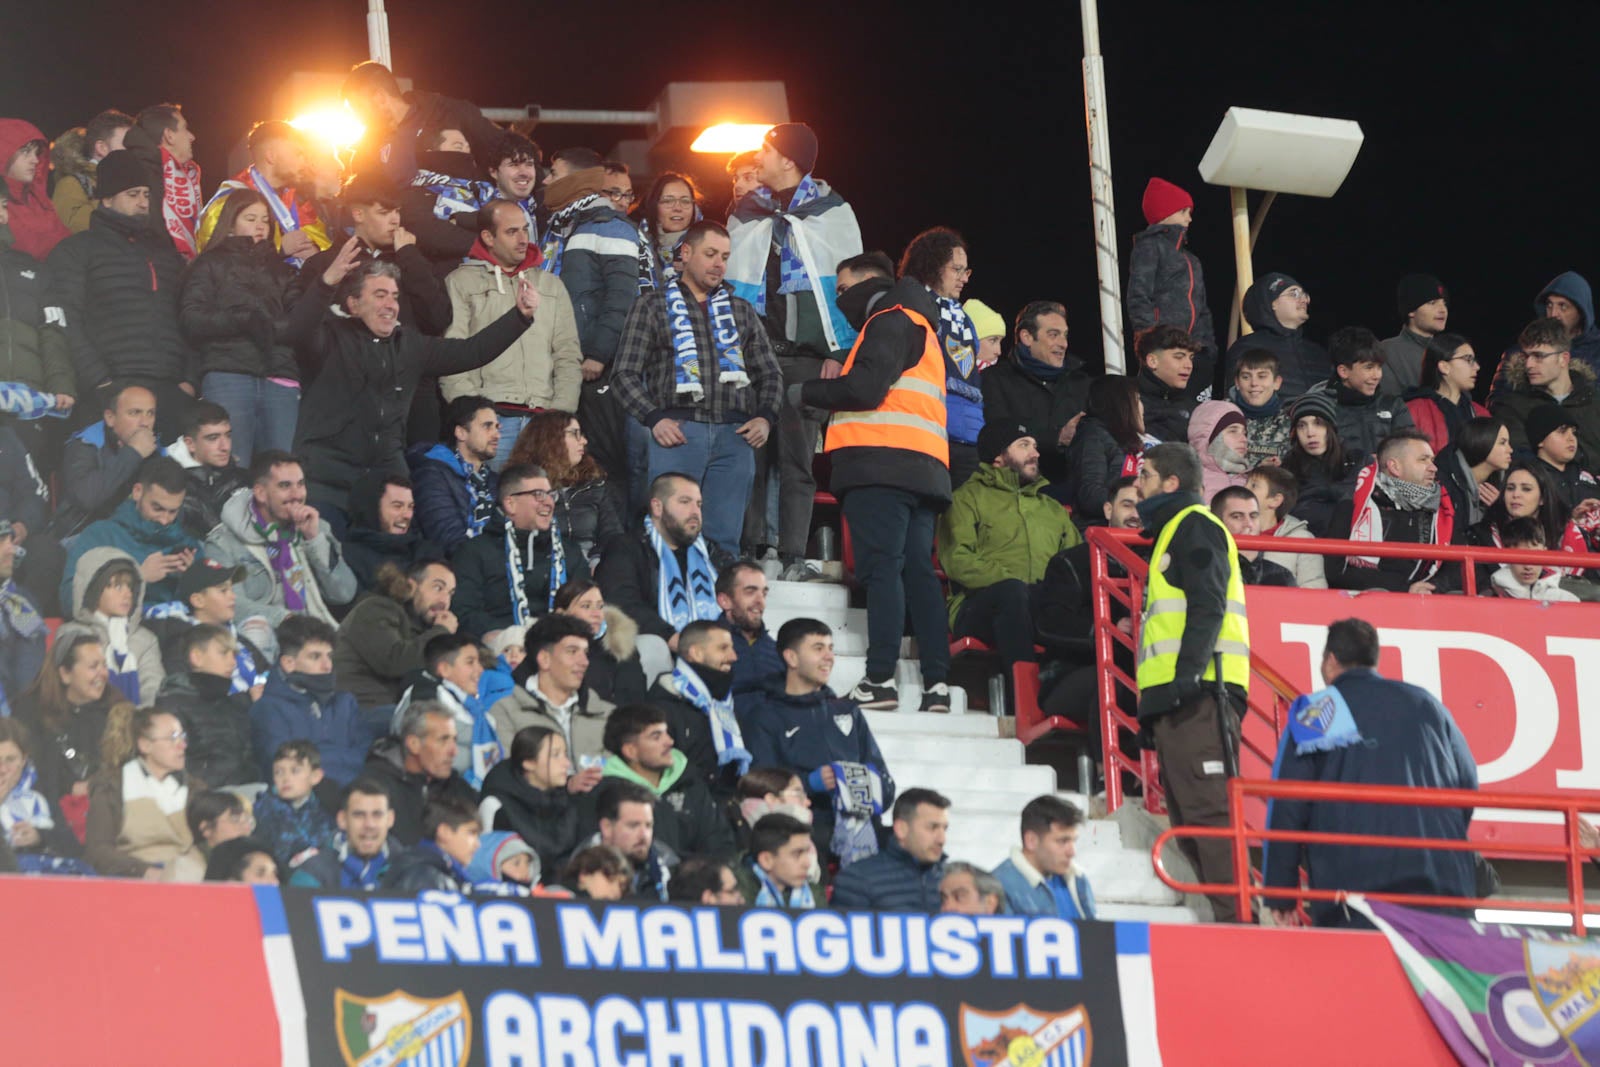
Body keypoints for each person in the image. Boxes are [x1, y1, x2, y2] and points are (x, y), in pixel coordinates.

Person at [799, 228, 955, 712]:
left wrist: (804, 394)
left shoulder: (889, 318)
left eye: (844, 290)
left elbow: (865, 391)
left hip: (880, 464)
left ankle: (881, 679)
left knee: (882, 571)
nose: (840, 301)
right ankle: (937, 686)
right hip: (923, 468)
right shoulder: (923, 324)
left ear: (871, 283)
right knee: (919, 575)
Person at [285, 242, 541, 523]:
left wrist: (519, 316)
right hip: (326, 480)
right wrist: (325, 283)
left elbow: (473, 351)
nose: (390, 305)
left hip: (386, 481)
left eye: (394, 297)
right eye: (380, 295)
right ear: (354, 304)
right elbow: (298, 330)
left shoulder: (410, 345)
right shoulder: (328, 339)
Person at [1263, 619, 1477, 928]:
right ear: (1373, 659)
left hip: (1357, 894)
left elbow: (1288, 803)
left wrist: (1280, 893)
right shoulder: (1426, 703)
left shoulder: (1319, 708)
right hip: (1445, 891)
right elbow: (1467, 785)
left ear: (1331, 659)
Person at [727, 125, 863, 572]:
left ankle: (791, 555)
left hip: (806, 358)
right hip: (755, 353)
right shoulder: (747, 212)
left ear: (788, 159)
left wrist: (838, 352)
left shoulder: (832, 213)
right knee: (747, 455)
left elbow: (846, 290)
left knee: (796, 461)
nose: (759, 157)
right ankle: (744, 548)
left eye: (766, 150)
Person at [612, 220, 781, 558]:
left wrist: (765, 418)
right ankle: (665, 609)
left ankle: (717, 608)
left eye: (725, 256)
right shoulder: (653, 305)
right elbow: (624, 375)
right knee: (669, 538)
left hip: (735, 437)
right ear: (686, 253)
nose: (719, 263)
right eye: (710, 254)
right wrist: (654, 418)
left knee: (724, 545)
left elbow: (771, 375)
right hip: (677, 435)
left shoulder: (742, 311)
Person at [1134, 442, 1250, 922]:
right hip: (1181, 696)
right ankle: (1231, 917)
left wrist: (1182, 680)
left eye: (1144, 475)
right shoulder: (1174, 531)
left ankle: (1239, 923)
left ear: (1171, 483)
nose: (1136, 484)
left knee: (1207, 813)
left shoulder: (1194, 525)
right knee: (1189, 817)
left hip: (1201, 692)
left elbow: (1208, 606)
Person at [45, 149, 197, 439]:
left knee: (170, 483)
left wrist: (189, 381)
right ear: (106, 198)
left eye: (146, 195)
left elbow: (188, 319)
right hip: (111, 392)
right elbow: (66, 319)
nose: (142, 203)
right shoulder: (77, 250)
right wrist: (99, 381)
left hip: (171, 391)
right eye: (132, 194)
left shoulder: (167, 255)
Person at [441, 199, 583, 467]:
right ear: (487, 237)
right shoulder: (460, 282)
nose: (522, 239)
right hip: (492, 421)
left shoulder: (551, 285)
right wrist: (474, 417)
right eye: (511, 232)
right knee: (492, 504)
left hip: (545, 421)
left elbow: (568, 354)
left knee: (542, 505)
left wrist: (560, 416)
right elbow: (452, 355)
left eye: (525, 230)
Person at [937, 422, 1082, 685]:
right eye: (1024, 445)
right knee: (1012, 594)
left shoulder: (1053, 509)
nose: (1036, 453)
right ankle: (1024, 697)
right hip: (977, 605)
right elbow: (958, 560)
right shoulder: (966, 498)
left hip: (1037, 602)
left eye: (1035, 446)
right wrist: (1014, 583)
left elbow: (1073, 564)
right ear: (998, 457)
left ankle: (1066, 694)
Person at [740, 618, 894, 865]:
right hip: (801, 827)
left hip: (861, 826)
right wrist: (811, 783)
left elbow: (887, 787)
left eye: (831, 648)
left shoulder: (847, 711)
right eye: (818, 648)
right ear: (791, 658)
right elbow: (760, 785)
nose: (829, 657)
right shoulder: (764, 716)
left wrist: (865, 788)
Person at [539, 150, 640, 492]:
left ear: (576, 180)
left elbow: (623, 297)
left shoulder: (608, 225)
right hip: (567, 362)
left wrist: (598, 352)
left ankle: (612, 542)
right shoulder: (562, 227)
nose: (545, 181)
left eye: (553, 172)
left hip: (596, 365)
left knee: (603, 459)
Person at [178, 189, 301, 463]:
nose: (260, 226)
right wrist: (240, 320)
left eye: (265, 220)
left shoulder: (284, 270)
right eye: (250, 218)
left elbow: (299, 320)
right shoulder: (209, 263)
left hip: (279, 376)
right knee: (231, 467)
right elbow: (192, 317)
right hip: (227, 372)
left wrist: (265, 327)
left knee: (279, 471)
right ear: (230, 223)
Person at [205, 451, 358, 630]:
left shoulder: (314, 527)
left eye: (300, 484)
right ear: (260, 493)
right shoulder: (223, 543)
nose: (296, 495)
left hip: (318, 636)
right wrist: (286, 619)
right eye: (285, 486)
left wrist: (314, 541)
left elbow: (344, 593)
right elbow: (230, 606)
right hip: (267, 639)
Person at [293, 174, 451, 339]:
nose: (395, 220)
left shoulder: (411, 259)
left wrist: (411, 257)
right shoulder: (322, 264)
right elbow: (306, 327)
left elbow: (438, 320)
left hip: (405, 362)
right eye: (383, 213)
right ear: (358, 215)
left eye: (397, 211)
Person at [450, 463, 589, 641]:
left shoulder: (570, 552)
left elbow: (586, 605)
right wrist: (514, 636)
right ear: (511, 503)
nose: (548, 502)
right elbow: (465, 613)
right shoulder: (474, 552)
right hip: (499, 649)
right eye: (538, 495)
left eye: (551, 494)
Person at [596, 472, 725, 649]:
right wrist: (672, 638)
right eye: (685, 502)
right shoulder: (626, 548)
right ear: (657, 507)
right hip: (656, 649)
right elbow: (622, 603)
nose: (695, 512)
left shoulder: (711, 554)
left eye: (699, 504)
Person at [595, 702, 735, 858]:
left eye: (667, 733)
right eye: (656, 736)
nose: (669, 741)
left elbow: (720, 843)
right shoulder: (605, 794)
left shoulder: (690, 782)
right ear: (631, 751)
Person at [62, 453, 201, 611]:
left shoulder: (189, 546)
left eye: (173, 512)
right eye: (157, 508)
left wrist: (191, 583)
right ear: (137, 492)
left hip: (176, 630)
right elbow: (69, 600)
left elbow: (211, 610)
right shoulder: (101, 535)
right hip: (117, 631)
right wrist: (138, 577)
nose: (164, 520)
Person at [1330, 430, 1460, 594]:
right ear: (1394, 467)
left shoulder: (1441, 511)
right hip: (1369, 604)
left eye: (1432, 460)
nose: (1433, 468)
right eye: (1423, 460)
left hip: (1427, 601)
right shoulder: (1353, 507)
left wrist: (1432, 588)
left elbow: (1457, 567)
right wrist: (1404, 588)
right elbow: (1335, 570)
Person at [981, 299, 1092, 489]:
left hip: (1074, 494)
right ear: (1027, 337)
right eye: (1053, 335)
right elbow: (998, 434)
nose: (1063, 343)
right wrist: (1057, 437)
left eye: (1065, 335)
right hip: (1017, 492)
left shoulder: (1082, 382)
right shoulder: (995, 379)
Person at [249, 614, 370, 787]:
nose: (327, 665)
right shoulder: (268, 710)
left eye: (329, 656)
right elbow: (284, 770)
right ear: (289, 663)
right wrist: (345, 759)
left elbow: (367, 755)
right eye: (315, 657)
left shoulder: (346, 703)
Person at [341, 61, 503, 188]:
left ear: (380, 98)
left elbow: (506, 152)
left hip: (472, 224)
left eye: (359, 108)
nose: (358, 117)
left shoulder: (451, 113)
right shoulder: (365, 155)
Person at [83, 704, 196, 880]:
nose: (182, 745)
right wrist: (146, 872)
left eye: (183, 737)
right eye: (172, 737)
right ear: (145, 745)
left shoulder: (195, 788)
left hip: (191, 879)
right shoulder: (112, 786)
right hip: (135, 882)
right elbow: (98, 850)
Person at [194, 120, 328, 266]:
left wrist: (315, 253)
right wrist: (279, 249)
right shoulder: (231, 198)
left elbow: (323, 243)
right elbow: (217, 260)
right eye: (298, 154)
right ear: (271, 156)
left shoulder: (294, 200)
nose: (304, 162)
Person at [490, 612, 615, 766]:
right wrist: (569, 785)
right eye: (572, 651)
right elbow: (510, 777)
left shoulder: (606, 714)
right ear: (544, 659)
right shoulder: (506, 711)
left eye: (585, 653)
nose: (584, 662)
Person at [1127, 177, 1216, 389]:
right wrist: (1151, 339)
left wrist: (1208, 347)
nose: (1189, 219)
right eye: (1184, 212)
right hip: (1163, 348)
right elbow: (1139, 295)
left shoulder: (1192, 260)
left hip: (1193, 351)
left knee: (1195, 410)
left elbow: (1202, 308)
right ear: (1166, 213)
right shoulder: (1149, 247)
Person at [645, 619, 749, 800]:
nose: (734, 656)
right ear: (696, 653)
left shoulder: (726, 704)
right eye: (723, 648)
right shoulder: (661, 709)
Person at [506, 412, 625, 569]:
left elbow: (613, 535)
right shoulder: (520, 487)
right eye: (574, 434)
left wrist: (598, 560)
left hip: (592, 571)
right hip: (543, 571)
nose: (583, 441)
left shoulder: (594, 483)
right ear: (550, 440)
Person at [333, 559, 458, 708]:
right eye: (438, 588)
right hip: (359, 708)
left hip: (393, 710)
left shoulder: (421, 628)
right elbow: (393, 662)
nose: (445, 600)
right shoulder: (375, 608)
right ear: (411, 586)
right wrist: (441, 632)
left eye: (450, 593)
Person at [13, 631, 111, 807]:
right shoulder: (27, 714)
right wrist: (69, 788)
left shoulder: (105, 712)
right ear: (65, 673)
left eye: (104, 666)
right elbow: (19, 775)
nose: (102, 673)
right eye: (93, 666)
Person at [51, 382, 159, 539]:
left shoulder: (155, 448)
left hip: (135, 536)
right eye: (135, 413)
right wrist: (133, 453)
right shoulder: (85, 444)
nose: (145, 422)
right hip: (82, 535)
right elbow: (88, 498)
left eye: (150, 413)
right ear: (110, 418)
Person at [364, 700, 479, 846]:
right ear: (414, 745)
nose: (454, 751)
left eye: (454, 740)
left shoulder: (454, 785)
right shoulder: (375, 787)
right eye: (443, 740)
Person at [480, 725, 584, 883]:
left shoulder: (568, 802)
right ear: (528, 763)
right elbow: (485, 864)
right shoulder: (496, 805)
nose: (567, 764)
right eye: (555, 755)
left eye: (565, 755)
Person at [155, 624, 255, 787]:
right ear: (197, 658)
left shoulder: (237, 701)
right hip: (206, 800)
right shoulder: (172, 703)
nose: (233, 663)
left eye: (234, 655)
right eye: (223, 653)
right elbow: (173, 765)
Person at [1492, 318, 1600, 469]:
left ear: (1563, 359)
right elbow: (1517, 460)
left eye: (1538, 356)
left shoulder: (1594, 402)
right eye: (1526, 356)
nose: (1529, 365)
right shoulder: (1511, 406)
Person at [60, 547, 163, 704]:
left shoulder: (146, 640)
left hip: (138, 724)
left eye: (130, 587)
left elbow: (154, 690)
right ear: (93, 591)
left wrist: (141, 723)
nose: (127, 594)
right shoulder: (72, 635)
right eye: (117, 586)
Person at [1302, 326, 1417, 459]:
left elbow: (1409, 453)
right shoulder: (1321, 409)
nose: (1377, 375)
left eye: (1379, 367)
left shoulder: (1393, 405)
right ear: (1343, 371)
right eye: (1369, 367)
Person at [407, 395, 500, 556]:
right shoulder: (431, 474)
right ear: (461, 432)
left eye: (497, 427)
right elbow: (446, 538)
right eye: (487, 426)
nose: (496, 435)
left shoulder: (493, 480)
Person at [829, 788, 949, 913]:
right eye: (932, 827)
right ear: (901, 829)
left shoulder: (954, 879)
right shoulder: (857, 879)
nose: (942, 839)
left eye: (944, 828)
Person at [0, 718, 87, 872]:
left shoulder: (38, 792)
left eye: (11, 760)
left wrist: (39, 836)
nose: (3, 769)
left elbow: (73, 847)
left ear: (24, 759)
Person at [1223, 273, 1328, 399]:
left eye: (1304, 295)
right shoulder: (1247, 348)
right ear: (1272, 303)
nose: (1304, 300)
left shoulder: (1318, 353)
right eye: (1293, 294)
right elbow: (1236, 400)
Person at [288, 776, 405, 889]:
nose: (369, 824)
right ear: (342, 820)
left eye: (377, 815)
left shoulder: (409, 870)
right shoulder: (312, 873)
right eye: (359, 815)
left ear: (390, 819)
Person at [991, 795, 1096, 920]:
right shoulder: (998, 886)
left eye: (1073, 841)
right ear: (1031, 841)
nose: (1072, 852)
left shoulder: (1078, 878)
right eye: (1062, 841)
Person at [1281, 392, 1368, 538]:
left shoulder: (1359, 461)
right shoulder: (1288, 470)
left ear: (1331, 428)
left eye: (1318, 423)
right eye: (1302, 426)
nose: (1310, 433)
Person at [554, 579, 646, 706]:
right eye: (586, 606)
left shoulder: (620, 647)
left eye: (600, 606)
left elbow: (633, 704)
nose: (596, 614)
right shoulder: (543, 648)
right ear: (561, 614)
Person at [167, 402, 250, 540]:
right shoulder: (168, 484)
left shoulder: (242, 478)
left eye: (228, 436)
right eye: (213, 438)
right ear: (190, 444)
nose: (225, 447)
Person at [340, 474, 437, 591]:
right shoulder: (348, 557)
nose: (407, 515)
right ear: (372, 509)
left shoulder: (427, 551)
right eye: (397, 506)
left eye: (410, 507)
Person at [252, 739, 336, 868]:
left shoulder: (324, 815)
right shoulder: (263, 808)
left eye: (295, 770)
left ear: (315, 776)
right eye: (278, 772)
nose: (286, 778)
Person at [589, 780, 675, 901]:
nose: (643, 835)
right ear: (607, 827)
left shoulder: (669, 868)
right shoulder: (579, 873)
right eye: (633, 825)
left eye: (648, 825)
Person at [50, 110, 133, 235]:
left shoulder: (133, 182)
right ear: (101, 148)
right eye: (127, 144)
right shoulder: (71, 184)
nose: (133, 151)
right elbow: (76, 231)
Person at [1404, 332, 1489, 453]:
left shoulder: (1481, 413)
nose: (1477, 366)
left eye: (1474, 360)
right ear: (1444, 366)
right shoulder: (1413, 410)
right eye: (1468, 359)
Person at [1246, 466, 1328, 589]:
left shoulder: (1304, 540)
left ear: (1275, 500)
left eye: (1254, 485)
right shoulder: (1230, 532)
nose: (1244, 489)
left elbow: (1314, 586)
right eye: (1245, 483)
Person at [380, 797, 481, 892]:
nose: (477, 844)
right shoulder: (425, 877)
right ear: (444, 832)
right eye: (471, 833)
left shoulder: (433, 870)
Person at [1, 120, 70, 260]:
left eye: (37, 152)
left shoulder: (37, 199)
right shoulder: (4, 203)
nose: (35, 160)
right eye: (25, 151)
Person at [716, 562, 780, 707]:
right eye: (750, 592)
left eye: (764, 593)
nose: (760, 602)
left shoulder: (777, 650)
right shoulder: (705, 647)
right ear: (725, 601)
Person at [0, 521, 47, 715]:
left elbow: (28, 680)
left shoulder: (23, 604)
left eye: (11, 540)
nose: (11, 549)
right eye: (2, 541)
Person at [1378, 273, 1450, 398]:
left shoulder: (1449, 352)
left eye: (1444, 303)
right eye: (1432, 303)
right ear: (1411, 310)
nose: (1442, 309)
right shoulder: (1388, 351)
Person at [1435, 417, 1512, 532]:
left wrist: (1501, 512)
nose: (1510, 449)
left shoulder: (1504, 484)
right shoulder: (1445, 483)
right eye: (1502, 443)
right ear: (1481, 441)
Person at [1211, 487, 1296, 586]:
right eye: (1237, 516)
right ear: (1217, 523)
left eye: (1253, 516)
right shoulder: (1205, 571)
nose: (1248, 524)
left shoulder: (1280, 575)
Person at [633, 171, 701, 292]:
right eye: (668, 201)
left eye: (685, 201)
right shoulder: (632, 242)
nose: (677, 208)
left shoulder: (708, 244)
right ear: (654, 205)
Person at [735, 812, 820, 908]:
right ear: (766, 860)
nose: (807, 863)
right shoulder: (733, 894)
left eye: (807, 852)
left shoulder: (815, 894)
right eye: (797, 854)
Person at [1524, 404, 1600, 511]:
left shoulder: (1587, 473)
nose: (1571, 438)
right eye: (1562, 431)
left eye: (1573, 432)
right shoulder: (1527, 477)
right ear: (1540, 440)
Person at [1489, 518, 1581, 602]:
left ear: (1545, 553)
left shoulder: (1565, 595)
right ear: (1507, 556)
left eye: (1534, 557)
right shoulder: (1492, 595)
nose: (1528, 567)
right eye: (1520, 559)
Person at [171, 788, 254, 882]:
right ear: (206, 828)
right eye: (235, 819)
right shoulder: (187, 867)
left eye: (247, 820)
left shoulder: (250, 862)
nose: (246, 828)